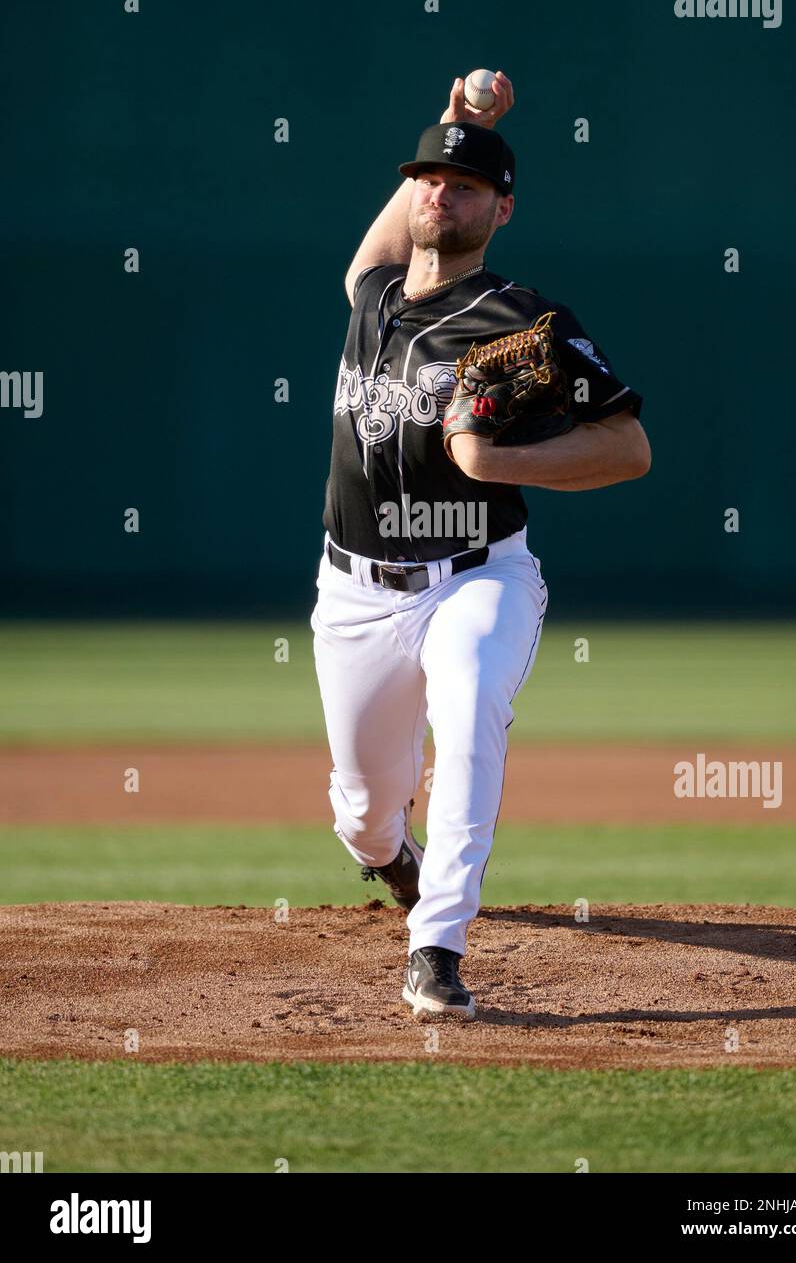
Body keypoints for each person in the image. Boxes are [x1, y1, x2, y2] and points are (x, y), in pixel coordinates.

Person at [310, 72, 650, 1020]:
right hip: (355, 594)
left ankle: (439, 946)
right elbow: (387, 239)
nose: (439, 193)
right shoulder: (371, 296)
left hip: (479, 574)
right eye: (427, 178)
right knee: (364, 817)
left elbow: (630, 447)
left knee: (468, 702)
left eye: (463, 185)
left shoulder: (527, 322)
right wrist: (457, 125)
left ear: (502, 208)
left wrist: (498, 458)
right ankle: (394, 858)